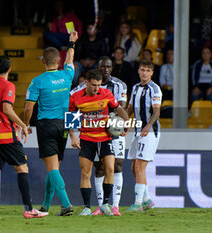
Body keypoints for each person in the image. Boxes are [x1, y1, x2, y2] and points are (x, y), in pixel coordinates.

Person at [0, 56, 48, 219]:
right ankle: (29, 209)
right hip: (7, 136)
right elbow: (7, 109)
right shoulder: (8, 85)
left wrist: (9, 123)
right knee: (22, 168)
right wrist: (23, 125)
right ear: (9, 69)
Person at [23, 32, 79, 216]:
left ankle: (66, 205)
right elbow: (70, 60)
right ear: (58, 60)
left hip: (46, 126)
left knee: (52, 168)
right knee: (54, 166)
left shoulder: (37, 81)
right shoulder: (67, 75)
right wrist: (72, 42)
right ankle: (46, 205)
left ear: (43, 62)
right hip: (64, 125)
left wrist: (25, 124)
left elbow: (28, 108)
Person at [70, 56, 127, 216]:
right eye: (94, 85)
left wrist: (126, 122)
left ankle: (106, 205)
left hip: (104, 138)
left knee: (110, 168)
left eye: (99, 85)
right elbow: (71, 118)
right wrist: (72, 137)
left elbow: (118, 109)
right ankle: (87, 207)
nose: (96, 88)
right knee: (85, 173)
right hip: (86, 138)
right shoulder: (76, 97)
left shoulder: (106, 93)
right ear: (86, 83)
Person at [126, 60, 162, 211]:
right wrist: (124, 124)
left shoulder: (155, 89)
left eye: (148, 70)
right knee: (134, 168)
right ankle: (147, 200)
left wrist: (148, 126)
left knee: (140, 165)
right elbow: (129, 109)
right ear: (138, 71)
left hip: (150, 130)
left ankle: (138, 203)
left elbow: (156, 111)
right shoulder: (135, 88)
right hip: (137, 131)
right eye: (142, 69)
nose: (145, 73)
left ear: (152, 73)